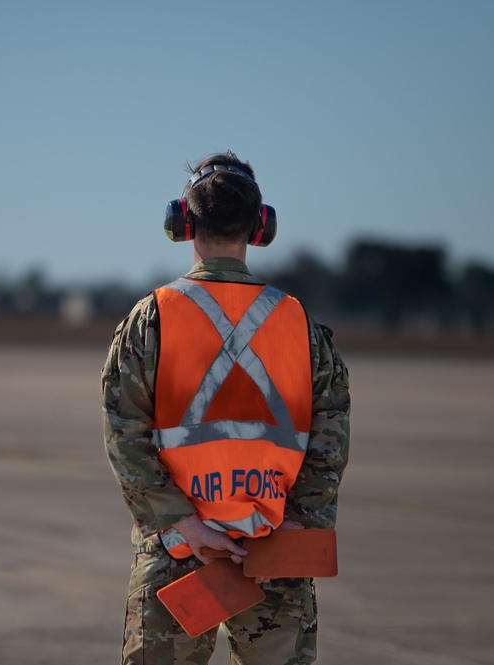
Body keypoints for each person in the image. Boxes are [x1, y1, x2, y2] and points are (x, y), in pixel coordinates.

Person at [101, 150, 351, 664]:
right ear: (261, 226)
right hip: (275, 547)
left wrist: (181, 522)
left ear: (182, 222)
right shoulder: (300, 325)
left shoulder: (152, 320)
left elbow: (124, 432)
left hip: (180, 552)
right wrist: (299, 521)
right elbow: (330, 438)